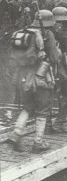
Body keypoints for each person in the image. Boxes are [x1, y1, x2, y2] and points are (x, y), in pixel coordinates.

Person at [8, 10, 61, 152]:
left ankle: (16, 134)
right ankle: (38, 142)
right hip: (40, 77)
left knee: (27, 107)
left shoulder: (23, 32)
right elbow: (55, 58)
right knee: (42, 110)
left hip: (23, 77)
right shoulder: (47, 34)